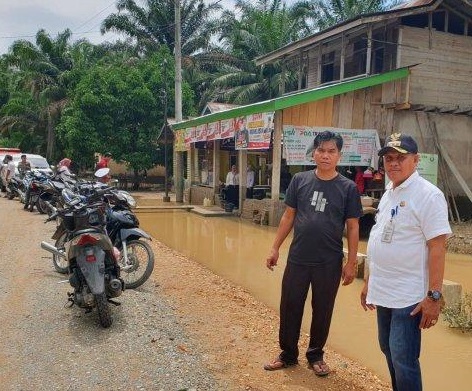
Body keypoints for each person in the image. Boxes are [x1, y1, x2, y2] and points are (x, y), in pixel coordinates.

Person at [264, 130, 363, 376]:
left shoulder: (348, 188)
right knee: (290, 306)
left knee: (323, 309)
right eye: (321, 150)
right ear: (314, 153)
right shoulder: (300, 181)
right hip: (298, 257)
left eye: (331, 151)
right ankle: (287, 354)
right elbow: (289, 216)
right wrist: (275, 247)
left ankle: (316, 355)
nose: (325, 155)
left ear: (339, 155)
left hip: (328, 262)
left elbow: (353, 226)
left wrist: (351, 262)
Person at [361, 133, 451, 391]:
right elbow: (380, 238)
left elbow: (437, 247)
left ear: (416, 160)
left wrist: (434, 296)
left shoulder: (429, 195)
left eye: (400, 158)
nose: (393, 164)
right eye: (389, 159)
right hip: (383, 290)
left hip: (409, 296)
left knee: (404, 357)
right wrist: (369, 281)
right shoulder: (390, 192)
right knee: (388, 349)